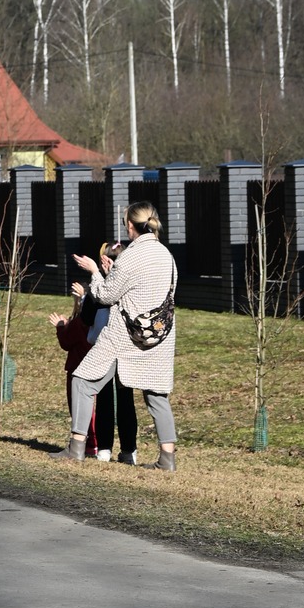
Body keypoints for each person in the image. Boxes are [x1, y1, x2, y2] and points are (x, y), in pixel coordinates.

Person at [66, 202, 179, 471]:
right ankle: (167, 459)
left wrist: (95, 272)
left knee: (82, 381)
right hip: (159, 338)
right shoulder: (167, 255)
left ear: (130, 225)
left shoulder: (130, 257)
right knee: (157, 396)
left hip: (123, 336)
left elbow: (105, 295)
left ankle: (77, 447)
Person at [49, 283, 138, 463]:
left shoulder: (105, 287)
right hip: (126, 344)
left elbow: (83, 322)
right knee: (125, 397)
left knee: (101, 397)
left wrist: (62, 326)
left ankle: (100, 447)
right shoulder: (130, 287)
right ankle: (127, 451)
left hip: (104, 347)